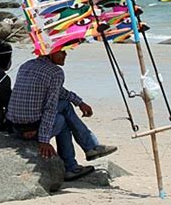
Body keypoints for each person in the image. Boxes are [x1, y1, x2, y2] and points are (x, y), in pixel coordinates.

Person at [7, 48, 117, 181]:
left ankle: (84, 154)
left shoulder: (27, 65)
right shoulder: (55, 72)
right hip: (32, 128)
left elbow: (58, 91)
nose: (65, 55)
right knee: (63, 116)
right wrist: (44, 141)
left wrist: (79, 102)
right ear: (51, 52)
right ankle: (77, 159)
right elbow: (50, 107)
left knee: (64, 107)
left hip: (16, 127)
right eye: (62, 52)